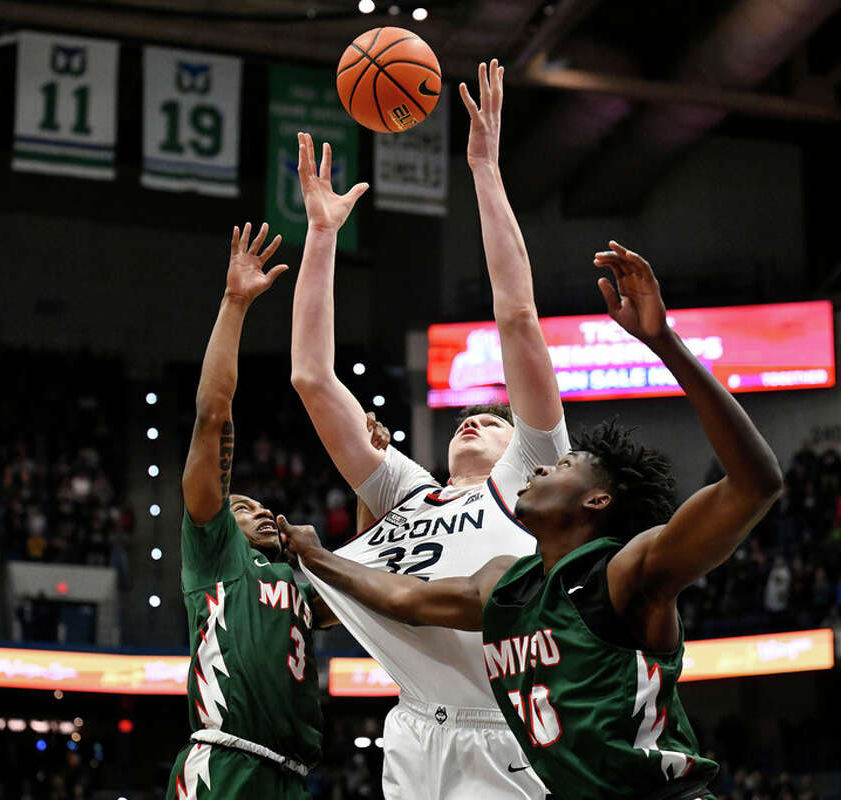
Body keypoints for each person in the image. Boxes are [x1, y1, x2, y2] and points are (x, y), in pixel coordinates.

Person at [280, 243, 783, 800]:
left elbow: (755, 484)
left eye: (562, 464)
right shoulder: (508, 583)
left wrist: (663, 341)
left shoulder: (629, 573)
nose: (543, 465)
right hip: (438, 739)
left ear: (594, 501)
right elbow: (405, 600)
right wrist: (319, 555)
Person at [289, 60, 567, 799]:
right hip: (413, 729)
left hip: (507, 724)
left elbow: (517, 317)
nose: (477, 417)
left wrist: (483, 167)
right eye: (467, 418)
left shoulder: (533, 483)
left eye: (497, 421)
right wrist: (320, 236)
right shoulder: (408, 490)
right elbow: (313, 380)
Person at [166, 222, 337, 800]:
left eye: (264, 507)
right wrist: (236, 302)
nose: (261, 512)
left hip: (289, 776)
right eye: (243, 506)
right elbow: (212, 414)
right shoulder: (215, 553)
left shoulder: (296, 579)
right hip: (224, 765)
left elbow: (365, 587)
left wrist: (372, 475)